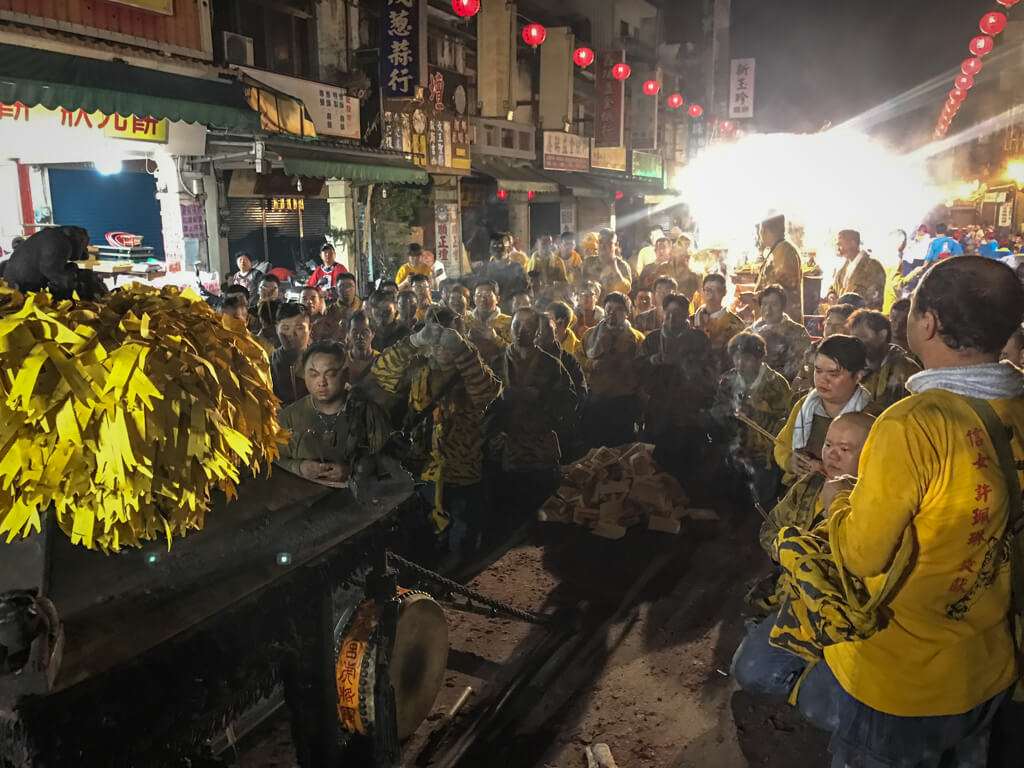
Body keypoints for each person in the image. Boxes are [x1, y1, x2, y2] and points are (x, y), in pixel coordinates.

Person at [762, 255, 1024, 767]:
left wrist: (838, 497)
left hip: (909, 680)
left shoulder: (911, 424)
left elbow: (861, 555)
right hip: (990, 662)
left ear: (926, 323)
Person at [732, 413, 874, 677]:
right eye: (828, 445)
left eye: (845, 449)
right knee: (746, 670)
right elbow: (769, 528)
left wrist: (835, 509)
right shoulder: (810, 484)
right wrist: (777, 547)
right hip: (792, 597)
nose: (832, 455)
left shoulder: (876, 503)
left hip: (838, 613)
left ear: (872, 455)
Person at [372, 310, 502, 560]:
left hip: (462, 471)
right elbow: (382, 372)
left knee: (462, 540)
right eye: (437, 340)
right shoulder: (419, 371)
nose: (442, 348)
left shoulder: (473, 373)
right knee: (425, 539)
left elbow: (488, 392)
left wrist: (464, 352)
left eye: (448, 340)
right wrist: (413, 342)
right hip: (422, 469)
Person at [493, 307, 576, 510]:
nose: (521, 330)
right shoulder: (497, 363)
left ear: (538, 331)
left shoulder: (551, 364)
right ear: (509, 329)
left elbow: (570, 399)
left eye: (528, 326)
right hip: (508, 448)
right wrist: (499, 399)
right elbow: (479, 402)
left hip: (540, 448)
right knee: (509, 510)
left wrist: (542, 397)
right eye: (516, 325)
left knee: (543, 508)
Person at [636, 293, 716, 478]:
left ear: (686, 315)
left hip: (689, 411)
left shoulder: (698, 339)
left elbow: (709, 371)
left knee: (689, 464)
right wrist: (653, 362)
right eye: (669, 313)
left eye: (678, 313)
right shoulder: (653, 340)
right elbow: (638, 370)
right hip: (659, 412)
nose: (672, 317)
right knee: (658, 463)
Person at [774, 334, 872, 484]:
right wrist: (790, 461)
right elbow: (782, 445)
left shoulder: (870, 416)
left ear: (858, 376)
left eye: (833, 374)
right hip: (801, 494)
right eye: (818, 371)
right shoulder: (805, 406)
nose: (822, 380)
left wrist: (825, 469)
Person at [713, 332, 793, 505]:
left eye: (747, 358)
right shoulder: (728, 379)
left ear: (759, 359)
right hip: (734, 453)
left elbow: (785, 426)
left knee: (760, 505)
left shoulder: (776, 384)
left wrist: (756, 414)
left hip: (765, 459)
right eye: (736, 358)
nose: (740, 364)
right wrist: (730, 411)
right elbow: (717, 409)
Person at [276, 341, 352, 486]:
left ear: (345, 374)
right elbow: (271, 456)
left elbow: (385, 459)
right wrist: (299, 467)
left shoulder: (366, 412)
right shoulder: (289, 417)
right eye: (313, 375)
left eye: (330, 374)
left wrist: (351, 471)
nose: (321, 382)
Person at [576, 292, 646, 447]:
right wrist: (593, 365)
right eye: (608, 308)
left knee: (622, 448)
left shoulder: (637, 339)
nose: (612, 312)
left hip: (624, 404)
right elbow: (578, 359)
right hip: (596, 402)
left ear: (627, 314)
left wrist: (628, 366)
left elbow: (644, 369)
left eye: (618, 309)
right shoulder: (590, 335)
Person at [847, 308, 921, 412]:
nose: (855, 343)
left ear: (882, 335)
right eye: (853, 338)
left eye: (861, 337)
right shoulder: (853, 368)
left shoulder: (904, 370)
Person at [750, 284, 812, 382]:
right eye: (764, 304)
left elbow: (800, 367)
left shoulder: (797, 332)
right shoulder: (751, 331)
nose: (768, 309)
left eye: (774, 305)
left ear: (783, 307)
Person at [791, 304, 857, 395]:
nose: (831, 329)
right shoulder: (813, 349)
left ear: (850, 329)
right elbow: (800, 379)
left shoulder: (856, 354)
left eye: (838, 325)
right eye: (828, 323)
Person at [692, 272, 747, 374]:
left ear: (724, 293)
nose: (711, 296)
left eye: (717, 290)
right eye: (708, 290)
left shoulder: (735, 325)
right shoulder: (691, 320)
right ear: (702, 292)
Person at [755, 215, 804, 322]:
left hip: (782, 322)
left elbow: (782, 290)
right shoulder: (778, 250)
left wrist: (754, 298)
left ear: (763, 231)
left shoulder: (785, 252)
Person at [831, 229, 886, 310]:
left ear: (853, 244)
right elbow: (834, 287)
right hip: (844, 318)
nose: (838, 248)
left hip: (864, 319)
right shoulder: (842, 268)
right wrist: (831, 294)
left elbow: (871, 299)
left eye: (840, 244)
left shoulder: (873, 267)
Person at [270, 303, 312, 406]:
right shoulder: (268, 363)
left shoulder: (323, 360)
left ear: (310, 328)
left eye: (299, 328)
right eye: (285, 328)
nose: (292, 334)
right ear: (276, 329)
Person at [465, 279, 513, 365]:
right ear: (474, 299)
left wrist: (495, 338)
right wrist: (467, 339)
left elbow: (517, 353)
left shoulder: (509, 322)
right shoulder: (465, 320)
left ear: (497, 299)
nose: (482, 299)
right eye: (478, 295)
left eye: (487, 295)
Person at [474, 232, 527, 303]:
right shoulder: (484, 269)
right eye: (494, 245)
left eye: (500, 245)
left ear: (509, 247)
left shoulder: (517, 268)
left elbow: (523, 291)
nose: (497, 248)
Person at [582, 229, 632, 295]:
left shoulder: (623, 266)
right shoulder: (588, 263)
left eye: (608, 243)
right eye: (600, 242)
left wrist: (615, 269)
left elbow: (625, 291)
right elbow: (578, 285)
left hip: (612, 304)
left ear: (616, 245)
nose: (603, 246)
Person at [343, 310, 378, 389]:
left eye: (365, 332)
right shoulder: (342, 360)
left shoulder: (381, 361)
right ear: (348, 335)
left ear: (373, 334)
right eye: (355, 332)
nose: (360, 337)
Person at [254, 274, 283, 348]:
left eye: (273, 288)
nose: (269, 292)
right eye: (264, 288)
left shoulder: (284, 311)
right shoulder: (251, 312)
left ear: (278, 290)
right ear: (258, 290)